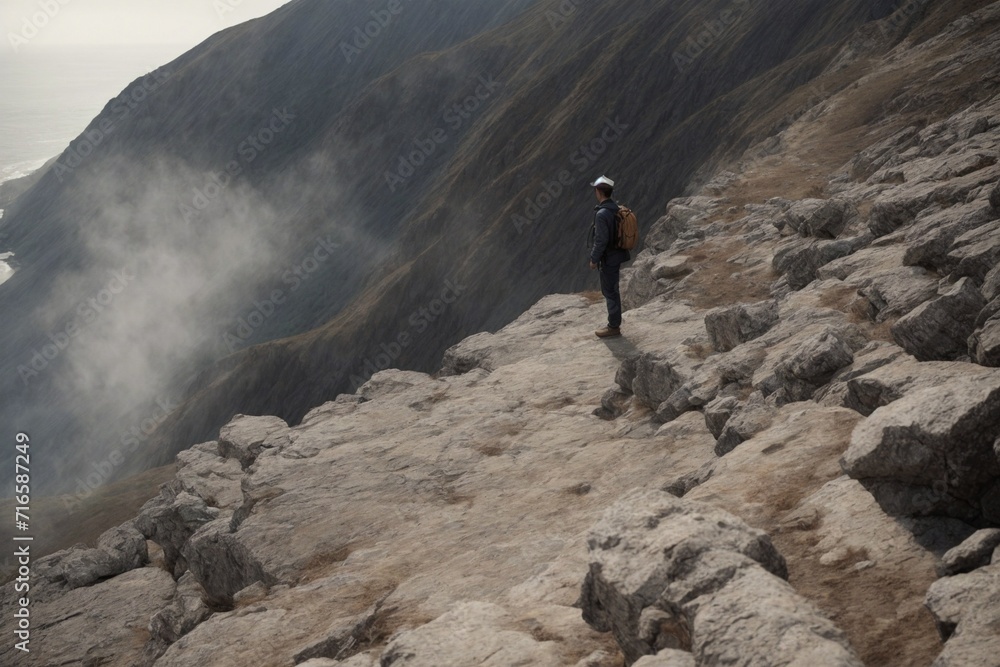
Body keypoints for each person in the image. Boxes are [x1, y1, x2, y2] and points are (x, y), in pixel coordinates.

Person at [588, 175, 630, 338]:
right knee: (613, 289)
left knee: (610, 291)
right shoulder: (615, 209)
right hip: (617, 255)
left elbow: (601, 240)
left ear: (599, 192)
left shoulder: (602, 214)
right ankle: (614, 323)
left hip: (608, 258)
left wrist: (594, 259)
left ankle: (613, 326)